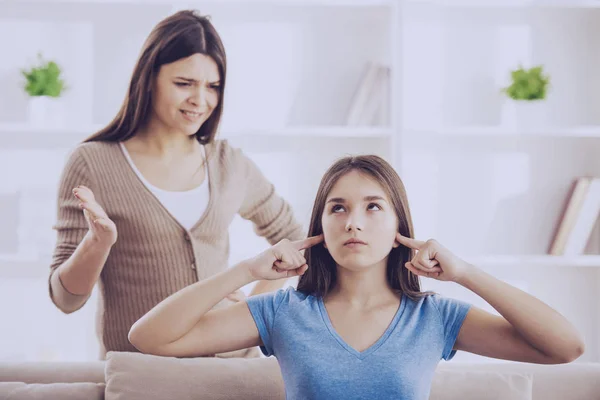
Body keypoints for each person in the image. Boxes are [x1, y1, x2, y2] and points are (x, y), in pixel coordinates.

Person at [128, 154, 585, 399]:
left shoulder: (435, 319)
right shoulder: (282, 312)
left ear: (398, 225)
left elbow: (566, 347)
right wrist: (246, 271)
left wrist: (465, 273)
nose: (353, 223)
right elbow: (150, 338)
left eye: (372, 207)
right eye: (338, 208)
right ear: (321, 228)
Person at [48, 9, 304, 359]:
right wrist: (98, 242)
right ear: (149, 78)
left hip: (228, 372)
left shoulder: (228, 163)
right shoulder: (93, 163)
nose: (200, 101)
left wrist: (252, 311)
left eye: (212, 86)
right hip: (141, 375)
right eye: (184, 84)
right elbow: (65, 299)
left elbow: (293, 239)